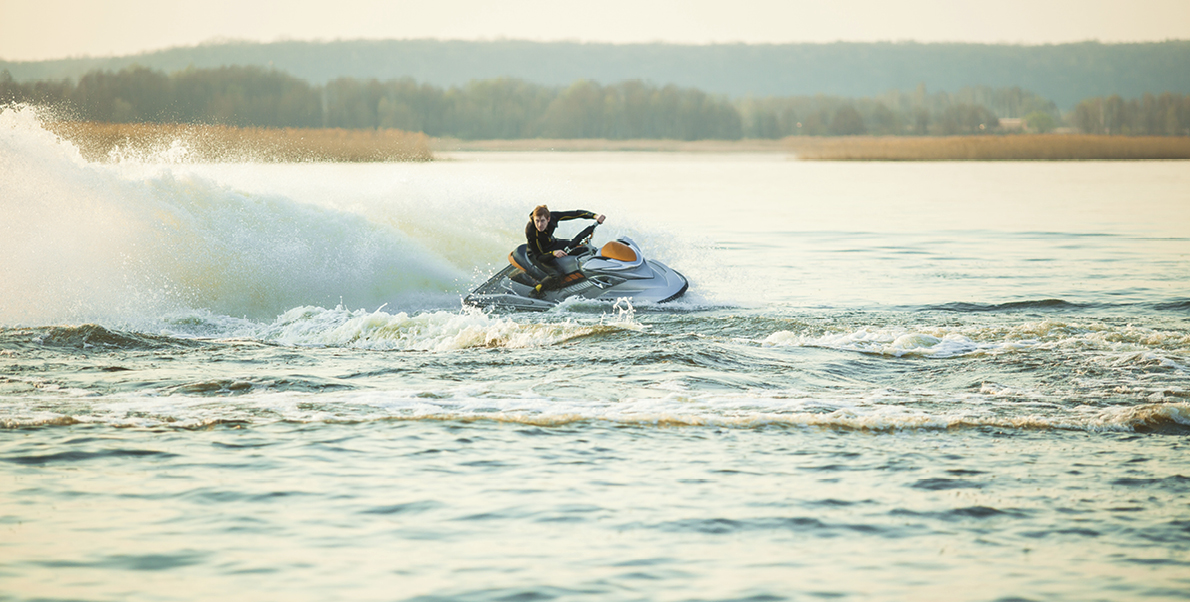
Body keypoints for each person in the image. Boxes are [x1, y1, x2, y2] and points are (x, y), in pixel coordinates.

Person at [525, 204, 606, 297]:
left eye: (542, 221)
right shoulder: (531, 231)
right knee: (557, 274)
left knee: (584, 249)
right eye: (537, 221)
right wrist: (553, 254)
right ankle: (536, 291)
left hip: (551, 244)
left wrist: (595, 216)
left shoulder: (553, 216)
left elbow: (576, 213)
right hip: (537, 253)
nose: (539, 225)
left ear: (548, 219)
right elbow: (539, 257)